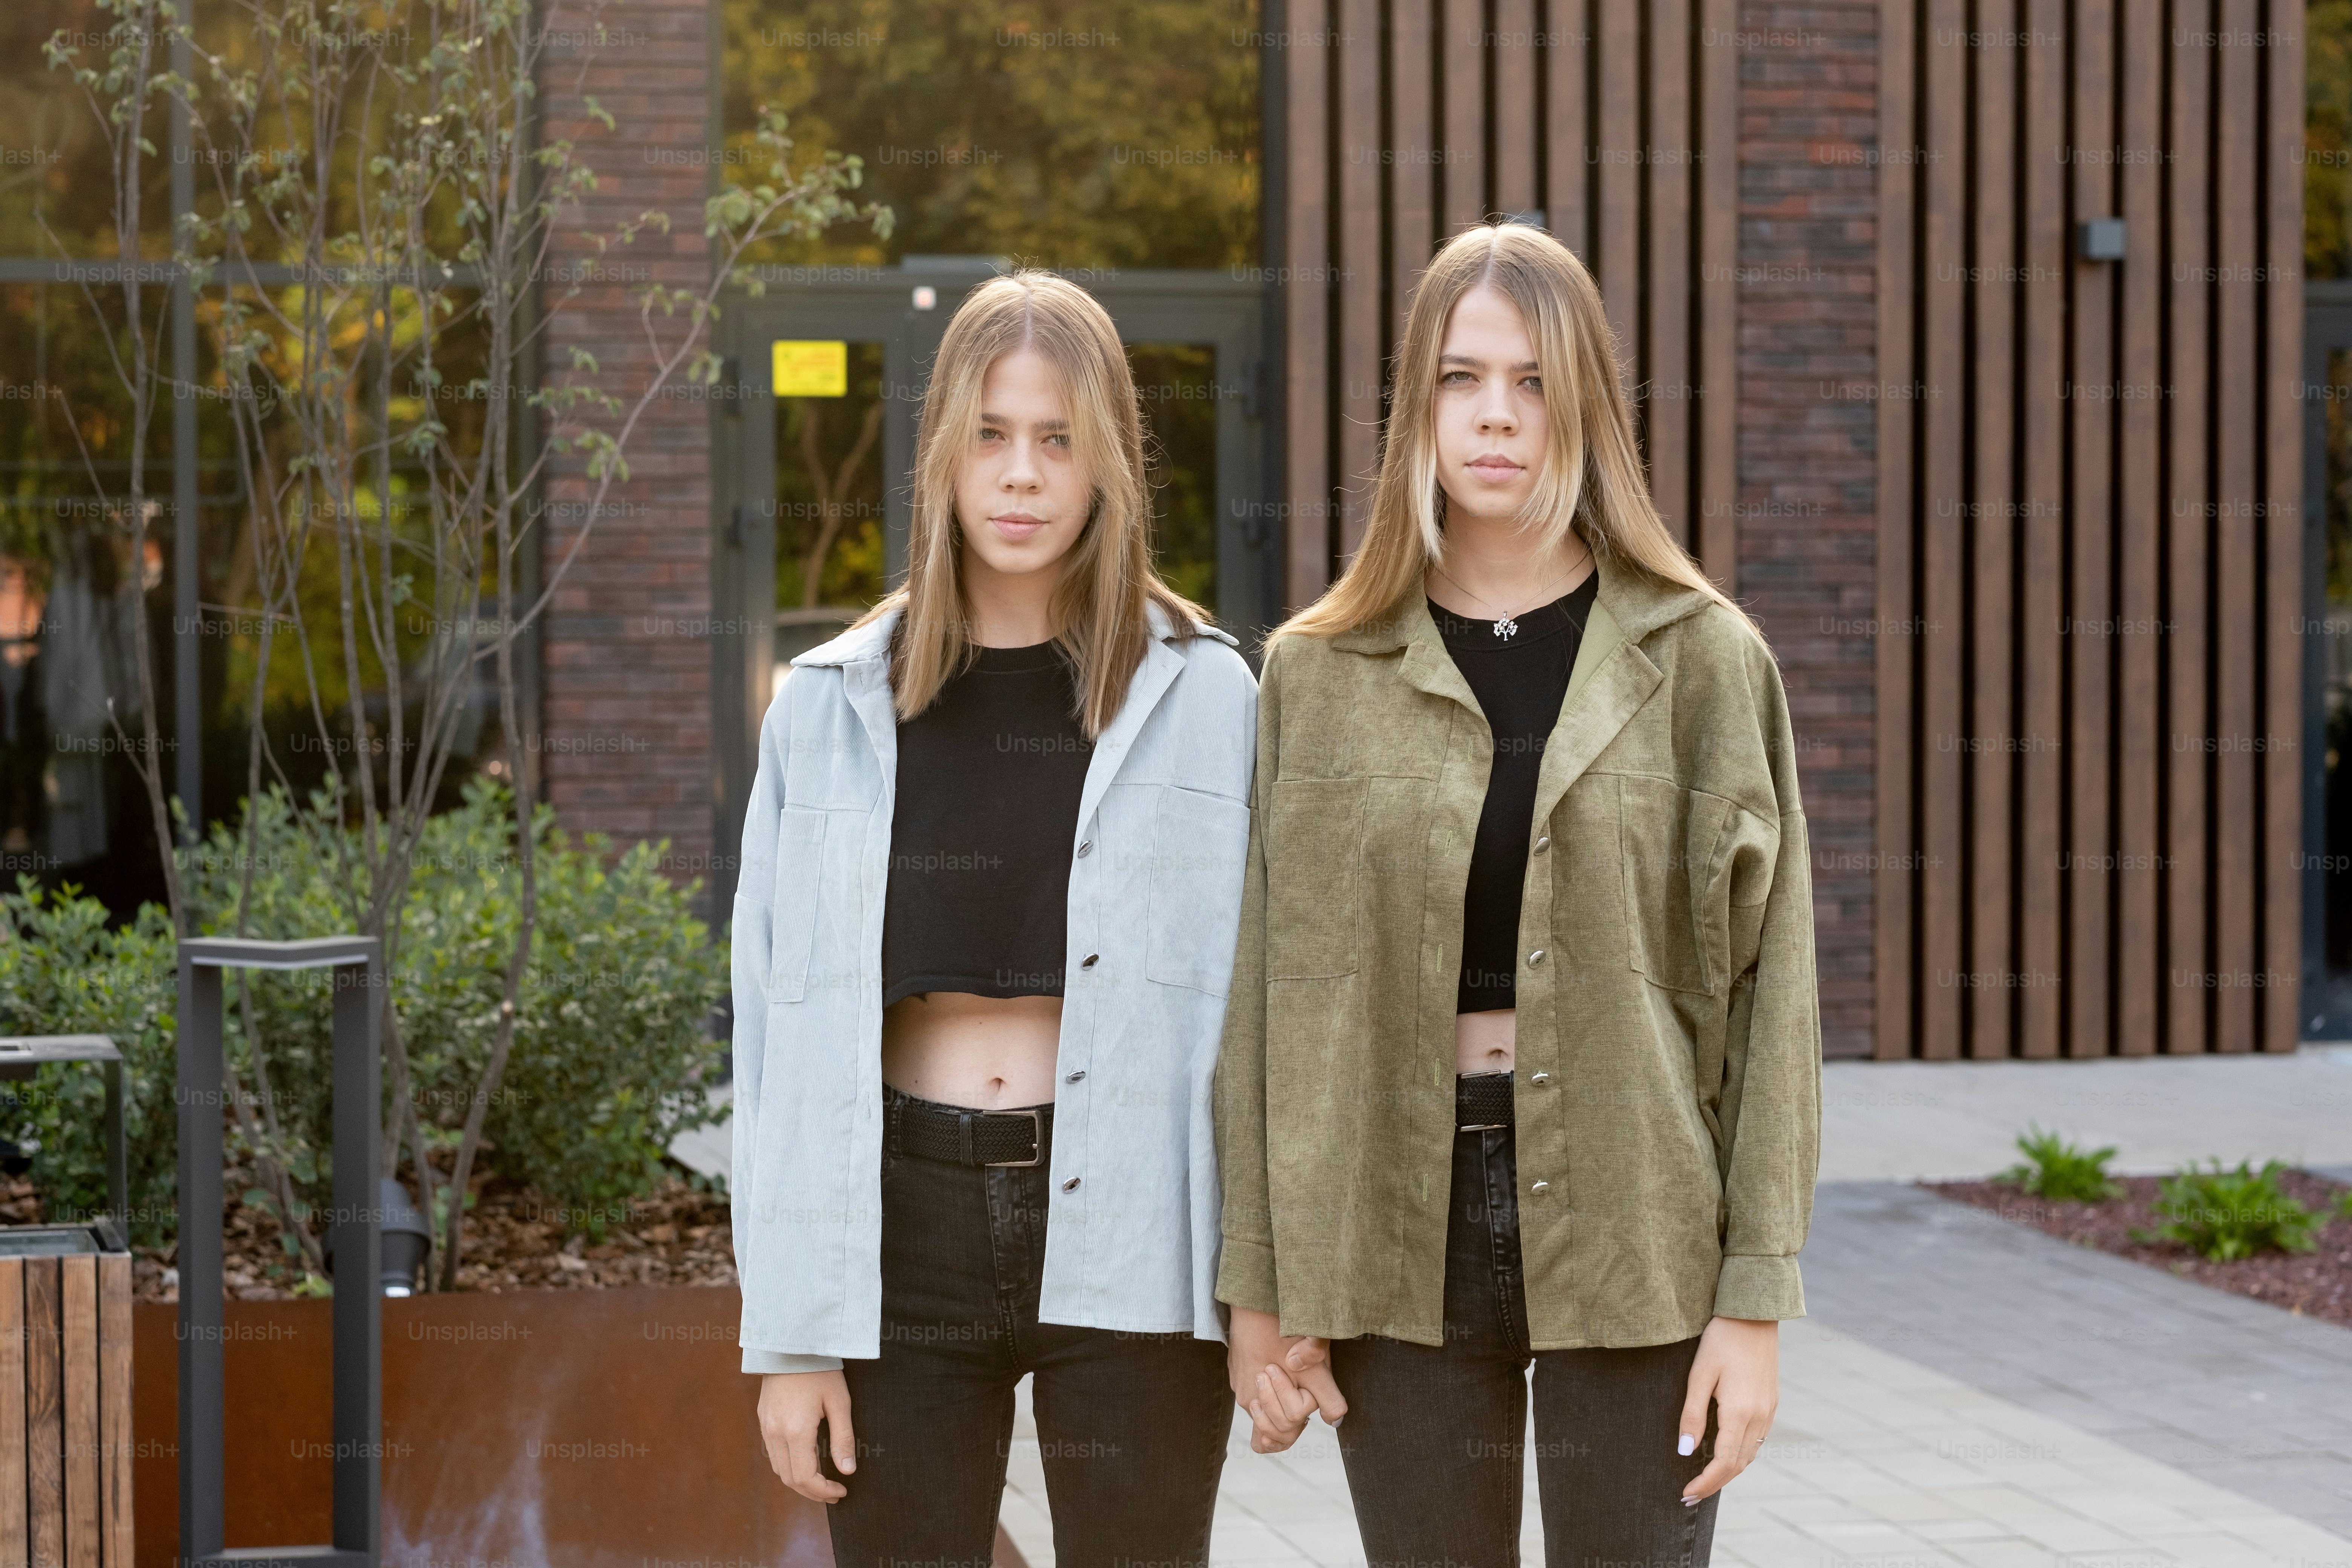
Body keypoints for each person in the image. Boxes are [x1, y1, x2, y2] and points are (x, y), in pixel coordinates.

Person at [1214, 220, 1822, 1567]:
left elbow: (1776, 1007)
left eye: (1536, 381)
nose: (1499, 417)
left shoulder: (1706, 660)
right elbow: (1263, 999)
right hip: (1393, 1237)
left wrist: (1754, 1302)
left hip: (1639, 1223)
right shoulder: (1315, 676)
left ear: (1589, 405)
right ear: (1416, 408)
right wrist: (1258, 1287)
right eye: (1462, 378)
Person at [730, 270, 1257, 1568]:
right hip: (902, 1237)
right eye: (991, 435)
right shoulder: (827, 706)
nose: (1021, 475)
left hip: (1137, 1218)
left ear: (1107, 465)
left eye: (1058, 440)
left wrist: (1269, 1294)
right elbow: (772, 1035)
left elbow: (1265, 1013)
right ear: (943, 456)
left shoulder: (1210, 696)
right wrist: (791, 1335)